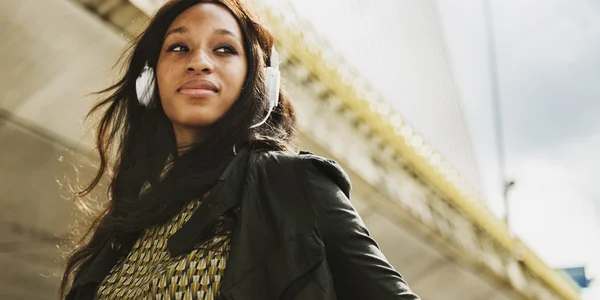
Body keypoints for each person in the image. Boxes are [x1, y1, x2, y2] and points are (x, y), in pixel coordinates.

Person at [60, 0, 420, 299]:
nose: (199, 61)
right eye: (179, 47)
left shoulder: (292, 183)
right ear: (149, 79)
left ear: (258, 80)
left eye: (224, 49)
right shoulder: (127, 223)